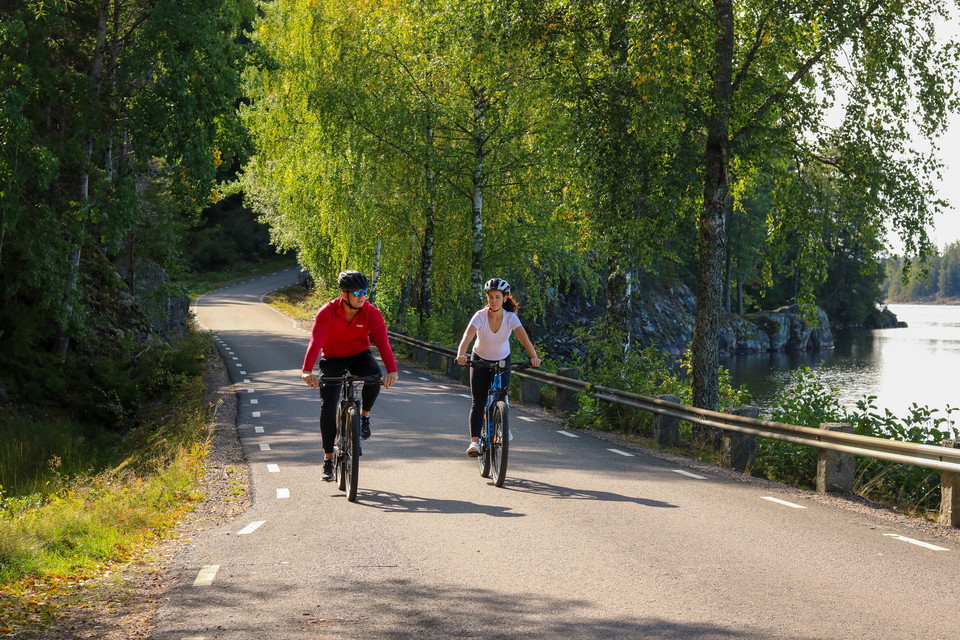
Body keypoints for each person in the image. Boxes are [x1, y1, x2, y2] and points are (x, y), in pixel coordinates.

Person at [301, 270, 399, 481]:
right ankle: (328, 458)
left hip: (359, 355)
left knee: (374, 376)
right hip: (333, 358)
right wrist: (307, 370)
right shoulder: (327, 312)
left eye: (365, 292)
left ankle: (364, 417)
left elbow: (382, 342)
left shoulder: (371, 312)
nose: (362, 296)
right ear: (344, 293)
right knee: (328, 404)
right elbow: (315, 342)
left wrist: (392, 370)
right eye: (356, 293)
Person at [455, 278, 541, 457]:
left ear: (505, 298)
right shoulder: (480, 316)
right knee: (478, 401)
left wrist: (534, 357)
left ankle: (502, 424)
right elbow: (468, 336)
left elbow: (524, 339)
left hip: (502, 360)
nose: (493, 300)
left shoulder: (511, 318)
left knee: (502, 396)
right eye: (491, 297)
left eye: (497, 297)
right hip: (479, 360)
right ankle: (474, 443)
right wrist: (461, 354)